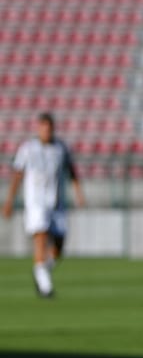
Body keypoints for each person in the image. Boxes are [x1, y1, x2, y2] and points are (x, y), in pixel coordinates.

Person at [3, 112, 85, 298]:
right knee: (40, 238)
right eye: (43, 128)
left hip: (57, 204)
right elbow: (17, 175)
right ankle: (45, 287)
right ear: (38, 128)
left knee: (59, 245)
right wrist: (9, 201)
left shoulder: (61, 148)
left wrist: (78, 193)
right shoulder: (27, 149)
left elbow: (71, 171)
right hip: (36, 203)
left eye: (49, 128)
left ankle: (41, 271)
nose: (46, 131)